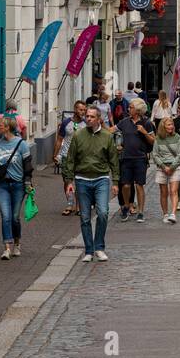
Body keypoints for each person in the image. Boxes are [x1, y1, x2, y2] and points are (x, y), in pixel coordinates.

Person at [65, 104, 121, 262]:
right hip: (82, 180)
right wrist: (69, 181)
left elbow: (114, 161)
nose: (88, 119)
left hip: (101, 179)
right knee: (84, 217)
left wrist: (115, 182)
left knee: (103, 213)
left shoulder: (107, 137)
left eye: (91, 117)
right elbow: (70, 159)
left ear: (99, 119)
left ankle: (99, 247)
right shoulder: (78, 136)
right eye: (87, 116)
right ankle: (89, 250)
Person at [0, 115, 33, 259]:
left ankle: (17, 243)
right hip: (2, 184)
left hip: (18, 185)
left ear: (8, 127)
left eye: (0, 125)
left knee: (15, 217)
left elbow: (28, 165)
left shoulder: (22, 144)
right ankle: (7, 248)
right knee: (6, 216)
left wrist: (27, 182)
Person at [118, 98, 155, 222]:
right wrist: (100, 124)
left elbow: (153, 141)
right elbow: (111, 130)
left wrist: (144, 132)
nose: (129, 109)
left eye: (131, 107)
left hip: (140, 158)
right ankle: (127, 205)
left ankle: (140, 211)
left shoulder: (147, 123)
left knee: (139, 185)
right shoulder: (124, 122)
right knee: (126, 185)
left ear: (138, 110)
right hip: (126, 158)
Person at [54, 101, 88, 215]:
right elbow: (59, 139)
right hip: (66, 155)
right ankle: (70, 204)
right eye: (80, 109)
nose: (82, 112)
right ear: (75, 109)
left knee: (80, 181)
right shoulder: (66, 123)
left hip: (81, 157)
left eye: (84, 110)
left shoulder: (86, 124)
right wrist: (55, 154)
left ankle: (79, 206)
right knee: (67, 180)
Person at [153, 115, 180, 223]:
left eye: (172, 124)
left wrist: (171, 167)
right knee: (163, 192)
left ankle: (173, 214)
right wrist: (163, 166)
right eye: (169, 125)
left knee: (173, 191)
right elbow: (155, 154)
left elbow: (179, 155)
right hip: (162, 168)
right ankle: (165, 214)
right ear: (163, 126)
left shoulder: (177, 137)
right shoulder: (158, 138)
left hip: (174, 167)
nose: (171, 126)